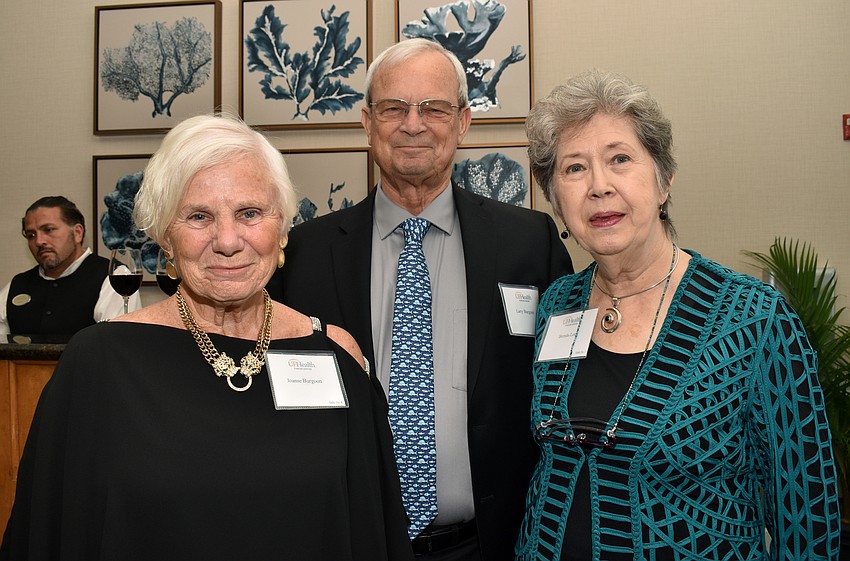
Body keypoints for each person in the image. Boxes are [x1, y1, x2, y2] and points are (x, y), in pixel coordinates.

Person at [1, 114, 413, 561]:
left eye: (250, 213)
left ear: (282, 227)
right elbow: (49, 533)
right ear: (165, 237)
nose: (229, 240)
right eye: (199, 216)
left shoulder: (335, 355)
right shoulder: (99, 365)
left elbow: (373, 530)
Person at [515, 70, 841, 560]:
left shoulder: (757, 322)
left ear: (664, 180)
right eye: (574, 169)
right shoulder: (557, 305)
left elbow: (808, 523)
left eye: (620, 159)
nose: (599, 186)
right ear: (556, 200)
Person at [270, 39, 574, 560]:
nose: (414, 124)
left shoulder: (530, 243)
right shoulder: (301, 255)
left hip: (490, 543)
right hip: (349, 540)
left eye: (434, 107)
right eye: (394, 108)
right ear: (367, 122)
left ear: (463, 122)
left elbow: (567, 391)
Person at [0, 196, 140, 338]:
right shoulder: (16, 285)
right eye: (31, 235)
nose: (39, 241)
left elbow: (116, 345)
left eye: (48, 230)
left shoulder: (115, 278)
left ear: (77, 233)